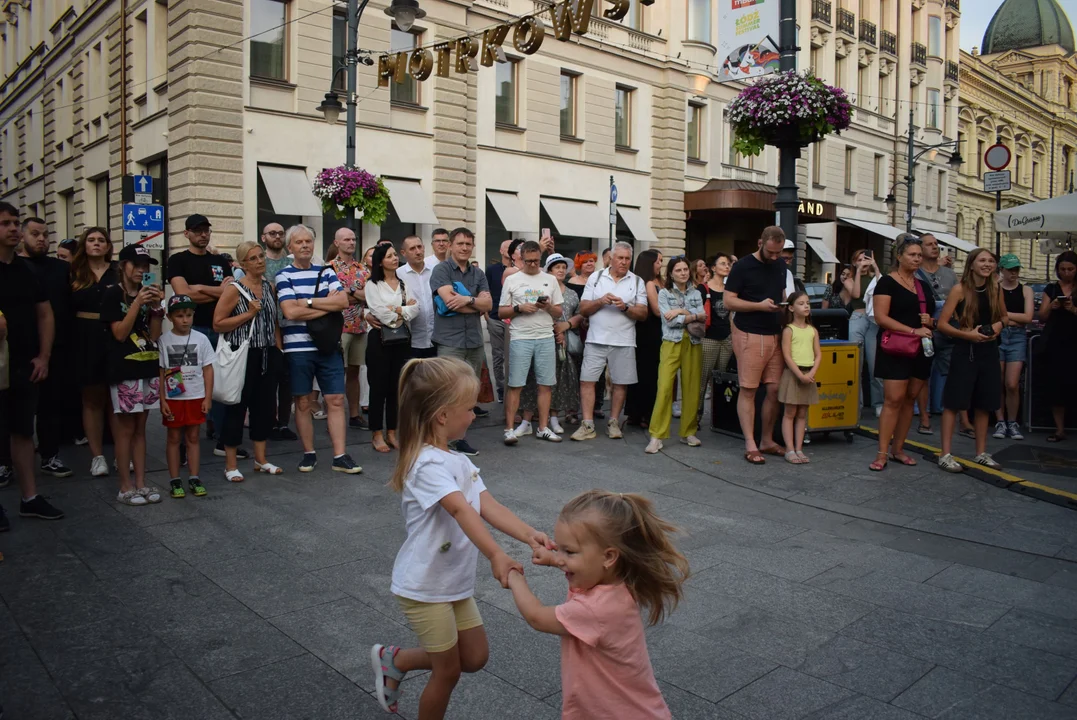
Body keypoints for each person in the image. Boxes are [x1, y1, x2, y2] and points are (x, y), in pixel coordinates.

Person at [369, 357, 551, 718]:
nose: (474, 414)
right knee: (448, 670)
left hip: (452, 581)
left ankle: (396, 660)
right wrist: (497, 555)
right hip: (424, 586)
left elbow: (487, 505)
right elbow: (461, 510)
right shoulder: (426, 464)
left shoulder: (459, 462)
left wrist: (530, 535)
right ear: (442, 416)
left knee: (474, 657)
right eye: (469, 408)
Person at [505, 490, 687, 720]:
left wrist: (514, 576)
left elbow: (537, 617)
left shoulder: (594, 609)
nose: (561, 558)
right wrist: (554, 559)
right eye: (559, 548)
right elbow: (582, 565)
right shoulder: (617, 580)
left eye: (569, 551)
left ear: (609, 557)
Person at [276, 224, 362, 474]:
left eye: (308, 241)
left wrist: (309, 302)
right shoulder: (284, 275)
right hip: (297, 348)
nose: (304, 245)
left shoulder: (325, 271)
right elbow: (290, 311)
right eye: (299, 242)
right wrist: (326, 305)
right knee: (303, 402)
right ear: (290, 247)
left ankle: (340, 455)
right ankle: (309, 453)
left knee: (335, 399)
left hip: (327, 346)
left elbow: (343, 301)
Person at [0, 201, 64, 529]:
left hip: (24, 364)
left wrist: (44, 355)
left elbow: (44, 313)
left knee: (23, 431)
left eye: (14, 223)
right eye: (6, 224)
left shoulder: (26, 271)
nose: (12, 228)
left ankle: (30, 498)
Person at [167, 214, 241, 457]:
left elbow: (232, 293)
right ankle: (182, 445)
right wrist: (219, 291)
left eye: (206, 230)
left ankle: (222, 440)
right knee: (186, 385)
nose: (203, 234)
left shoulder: (220, 260)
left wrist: (200, 288)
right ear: (186, 233)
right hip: (189, 331)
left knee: (219, 385)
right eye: (197, 230)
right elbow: (184, 296)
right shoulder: (178, 260)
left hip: (219, 330)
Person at [214, 240, 286, 480]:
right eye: (253, 258)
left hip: (267, 353)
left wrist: (278, 349)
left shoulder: (268, 287)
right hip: (243, 355)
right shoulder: (235, 288)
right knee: (237, 407)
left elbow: (274, 321)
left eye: (261, 257)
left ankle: (261, 459)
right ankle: (230, 464)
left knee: (264, 408)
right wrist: (248, 314)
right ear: (243, 264)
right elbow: (218, 323)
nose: (260, 261)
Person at [102, 244, 164, 506]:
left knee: (141, 427)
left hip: (147, 364)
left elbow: (155, 334)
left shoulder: (146, 294)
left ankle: (141, 483)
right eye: (136, 265)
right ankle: (124, 486)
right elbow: (119, 333)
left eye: (145, 266)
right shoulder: (111, 294)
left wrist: (157, 309)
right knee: (125, 429)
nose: (141, 270)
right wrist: (137, 302)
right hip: (124, 367)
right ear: (123, 266)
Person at [869, 235, 937, 472]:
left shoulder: (923, 285)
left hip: (920, 349)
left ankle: (898, 449)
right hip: (895, 347)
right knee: (893, 400)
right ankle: (881, 453)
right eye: (912, 254)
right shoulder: (887, 282)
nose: (917, 258)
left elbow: (929, 316)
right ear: (899, 257)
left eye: (919, 255)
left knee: (909, 399)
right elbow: (881, 317)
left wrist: (931, 322)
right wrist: (913, 330)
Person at [937, 248, 1007, 472]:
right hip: (964, 351)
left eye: (991, 261)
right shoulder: (960, 290)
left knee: (984, 403)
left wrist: (998, 326)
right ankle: (945, 454)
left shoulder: (996, 289)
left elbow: (1004, 316)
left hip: (988, 351)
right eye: (982, 260)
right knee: (953, 403)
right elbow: (942, 324)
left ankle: (981, 453)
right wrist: (968, 334)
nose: (987, 264)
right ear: (972, 264)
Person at [724, 226, 789, 464]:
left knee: (774, 389)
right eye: (771, 252)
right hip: (749, 332)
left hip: (774, 332)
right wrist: (759, 306)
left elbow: (780, 291)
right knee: (749, 389)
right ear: (760, 242)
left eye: (779, 252)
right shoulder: (742, 266)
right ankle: (750, 443)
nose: (775, 257)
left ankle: (767, 440)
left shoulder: (781, 264)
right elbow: (728, 301)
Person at [571, 242, 648, 441]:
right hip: (596, 339)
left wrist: (625, 307)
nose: (623, 262)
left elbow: (643, 313)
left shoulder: (637, 281)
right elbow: (583, 309)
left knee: (620, 383)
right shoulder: (596, 278)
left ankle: (614, 422)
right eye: (620, 258)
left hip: (624, 340)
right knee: (587, 380)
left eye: (627, 258)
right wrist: (600, 301)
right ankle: (587, 424)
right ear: (611, 259)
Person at [18, 217, 74, 478]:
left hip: (57, 348)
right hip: (18, 348)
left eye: (45, 234)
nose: (41, 239)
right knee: (15, 409)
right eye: (34, 233)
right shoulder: (14, 267)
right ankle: (7, 462)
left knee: (51, 405)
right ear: (22, 236)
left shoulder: (60, 268)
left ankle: (50, 455)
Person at [430, 227, 492, 457]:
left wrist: (467, 300)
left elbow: (489, 306)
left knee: (467, 394)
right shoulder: (441, 270)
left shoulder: (478, 274)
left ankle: (458, 438)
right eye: (460, 244)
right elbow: (448, 302)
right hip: (450, 341)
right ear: (450, 246)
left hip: (474, 341)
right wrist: (476, 304)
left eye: (468, 244)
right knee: (447, 392)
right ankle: (441, 440)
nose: (464, 248)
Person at [499, 241, 564, 444]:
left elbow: (559, 312)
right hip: (521, 337)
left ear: (540, 258)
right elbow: (501, 311)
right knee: (515, 384)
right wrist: (519, 308)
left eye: (536, 261)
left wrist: (548, 307)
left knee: (546, 384)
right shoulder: (512, 279)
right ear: (521, 259)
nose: (533, 265)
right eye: (529, 261)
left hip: (545, 336)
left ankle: (543, 428)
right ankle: (509, 429)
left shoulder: (550, 279)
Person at [68, 227, 118, 477]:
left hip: (115, 336)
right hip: (84, 338)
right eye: (91, 240)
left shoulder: (118, 271)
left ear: (108, 246)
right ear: (83, 245)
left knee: (117, 398)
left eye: (101, 240)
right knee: (91, 398)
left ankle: (122, 453)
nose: (96, 244)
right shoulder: (73, 273)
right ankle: (97, 456)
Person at [645, 256, 705, 454]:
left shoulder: (696, 292)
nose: (683, 273)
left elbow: (702, 316)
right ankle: (656, 435)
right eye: (678, 270)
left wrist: (679, 310)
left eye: (685, 269)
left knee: (691, 387)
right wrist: (691, 315)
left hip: (693, 342)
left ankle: (688, 431)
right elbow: (669, 321)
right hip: (671, 342)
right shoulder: (663, 293)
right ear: (670, 273)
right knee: (663, 389)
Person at [518, 254, 582, 432]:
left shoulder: (572, 293)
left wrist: (566, 326)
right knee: (533, 379)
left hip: (562, 344)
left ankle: (554, 417)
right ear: (549, 271)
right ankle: (528, 419)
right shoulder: (541, 289)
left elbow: (579, 315)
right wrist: (555, 329)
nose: (561, 270)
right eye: (556, 267)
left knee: (558, 381)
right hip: (540, 337)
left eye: (563, 267)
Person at [159, 295, 214, 498]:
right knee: (173, 437)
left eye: (189, 315)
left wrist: (207, 397)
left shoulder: (202, 339)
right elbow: (161, 371)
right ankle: (174, 479)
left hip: (195, 395)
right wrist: (162, 398)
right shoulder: (164, 341)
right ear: (170, 317)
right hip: (174, 398)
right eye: (180, 315)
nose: (185, 320)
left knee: (193, 437)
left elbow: (208, 369)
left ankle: (194, 476)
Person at [366, 243, 418, 453]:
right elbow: (379, 312)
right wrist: (402, 311)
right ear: (380, 261)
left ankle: (392, 432)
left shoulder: (404, 283)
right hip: (379, 340)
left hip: (402, 341)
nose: (395, 258)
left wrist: (396, 309)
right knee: (378, 387)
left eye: (395, 255)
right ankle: (377, 433)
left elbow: (417, 309)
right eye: (389, 256)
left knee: (397, 388)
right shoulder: (373, 285)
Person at [258, 222, 298, 441]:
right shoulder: (259, 262)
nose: (277, 236)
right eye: (272, 233)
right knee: (268, 380)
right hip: (264, 328)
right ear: (263, 237)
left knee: (287, 380)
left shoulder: (290, 263)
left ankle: (283, 423)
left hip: (290, 326)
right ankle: (269, 422)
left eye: (281, 233)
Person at [915, 233, 959, 433]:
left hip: (948, 328)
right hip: (924, 326)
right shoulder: (914, 273)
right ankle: (924, 415)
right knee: (923, 371)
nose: (934, 247)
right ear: (920, 249)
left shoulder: (949, 274)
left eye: (936, 244)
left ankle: (943, 409)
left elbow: (960, 301)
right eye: (929, 244)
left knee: (949, 370)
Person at [329, 227, 371, 430]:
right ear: (337, 243)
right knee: (337, 372)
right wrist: (354, 296)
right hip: (338, 327)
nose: (351, 242)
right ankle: (334, 417)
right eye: (346, 239)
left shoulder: (363, 269)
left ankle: (354, 415)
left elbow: (369, 295)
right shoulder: (328, 268)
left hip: (359, 326)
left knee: (355, 371)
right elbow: (333, 298)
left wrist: (350, 291)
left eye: (353, 239)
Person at [1037, 250, 1077, 442]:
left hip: (1074, 341)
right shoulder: (1051, 289)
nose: (1066, 273)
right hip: (1055, 341)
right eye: (1062, 269)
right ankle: (1059, 429)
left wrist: (1073, 309)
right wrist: (1051, 306)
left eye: (1070, 269)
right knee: (1056, 386)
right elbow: (1041, 317)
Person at [994, 254, 1034, 440]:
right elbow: (992, 314)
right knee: (998, 381)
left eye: (1016, 269)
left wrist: (1004, 315)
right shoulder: (995, 289)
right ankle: (1001, 421)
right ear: (1001, 269)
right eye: (1010, 269)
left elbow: (1028, 318)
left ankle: (1012, 421)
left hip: (1017, 337)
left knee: (1012, 383)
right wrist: (1009, 318)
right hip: (999, 334)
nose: (1014, 273)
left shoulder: (1026, 290)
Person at [779, 291, 821, 464]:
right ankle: (789, 449)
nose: (806, 306)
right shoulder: (789, 330)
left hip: (808, 374)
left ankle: (799, 448)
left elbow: (818, 354)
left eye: (808, 303)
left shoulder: (812, 330)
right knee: (790, 412)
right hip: (793, 374)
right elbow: (787, 356)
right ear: (791, 307)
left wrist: (811, 373)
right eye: (801, 303)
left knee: (802, 413)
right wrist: (799, 375)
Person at [624, 249, 663, 429]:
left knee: (649, 373)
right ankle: (643, 413)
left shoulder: (658, 281)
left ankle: (640, 412)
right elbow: (656, 310)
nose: (660, 265)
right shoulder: (647, 283)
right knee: (646, 373)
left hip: (655, 331)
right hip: (648, 331)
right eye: (658, 261)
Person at [696, 253, 734, 425]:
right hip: (708, 339)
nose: (727, 266)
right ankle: (695, 417)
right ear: (713, 267)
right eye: (723, 263)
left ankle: (719, 417)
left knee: (721, 381)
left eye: (728, 264)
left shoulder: (730, 290)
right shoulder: (703, 289)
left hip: (726, 338)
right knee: (702, 380)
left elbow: (732, 316)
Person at [847, 249, 884, 417]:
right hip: (857, 318)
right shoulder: (849, 279)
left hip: (874, 320)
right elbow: (855, 294)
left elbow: (883, 288)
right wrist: (857, 272)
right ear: (854, 262)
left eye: (866, 258)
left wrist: (875, 267)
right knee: (856, 365)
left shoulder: (874, 278)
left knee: (874, 364)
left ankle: (878, 403)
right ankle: (856, 405)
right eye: (859, 259)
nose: (863, 261)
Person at [484, 239, 515, 401]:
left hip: (514, 319)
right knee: (498, 356)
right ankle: (501, 389)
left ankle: (513, 388)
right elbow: (485, 291)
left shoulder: (519, 270)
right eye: (508, 248)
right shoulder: (492, 270)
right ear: (502, 251)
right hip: (495, 318)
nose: (511, 251)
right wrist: (487, 315)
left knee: (513, 356)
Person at [397, 235, 436, 359]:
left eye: (419, 247)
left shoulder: (436, 271)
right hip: (410, 341)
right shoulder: (398, 274)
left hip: (436, 340)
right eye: (412, 248)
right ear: (403, 253)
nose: (418, 252)